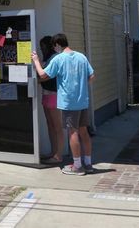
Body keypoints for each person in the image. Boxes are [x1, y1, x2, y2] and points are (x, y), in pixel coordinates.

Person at [31, 33, 95, 176]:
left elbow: (43, 75)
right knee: (84, 132)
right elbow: (91, 76)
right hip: (83, 101)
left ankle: (77, 166)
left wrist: (35, 60)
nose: (55, 49)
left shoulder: (59, 59)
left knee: (73, 133)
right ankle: (88, 163)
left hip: (68, 102)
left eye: (55, 47)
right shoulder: (81, 57)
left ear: (57, 45)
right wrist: (80, 87)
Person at [38, 36, 63, 165]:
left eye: (44, 46)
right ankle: (53, 152)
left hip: (54, 94)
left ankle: (58, 154)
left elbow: (44, 77)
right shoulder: (47, 59)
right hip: (46, 93)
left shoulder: (54, 58)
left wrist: (36, 63)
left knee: (57, 126)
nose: (42, 49)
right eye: (41, 46)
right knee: (50, 124)